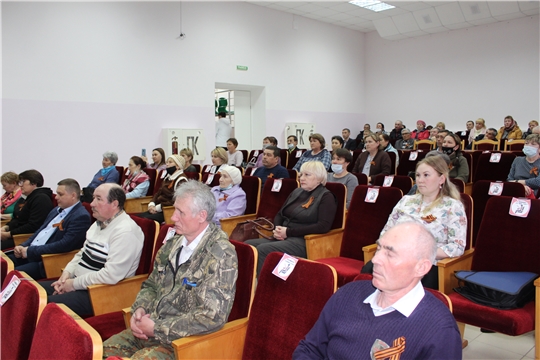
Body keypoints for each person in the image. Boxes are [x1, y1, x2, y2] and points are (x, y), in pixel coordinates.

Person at [103, 180, 238, 359]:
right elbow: (151, 285)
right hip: (152, 326)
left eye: (180, 212)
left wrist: (156, 329)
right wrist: (140, 309)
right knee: (98, 352)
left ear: (201, 216)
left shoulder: (220, 254)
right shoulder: (173, 244)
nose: (173, 217)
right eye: (175, 210)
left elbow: (211, 316)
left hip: (183, 343)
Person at [293, 222, 462, 360]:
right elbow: (310, 349)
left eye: (390, 254)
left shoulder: (440, 331)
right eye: (379, 248)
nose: (375, 259)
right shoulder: (347, 294)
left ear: (421, 268)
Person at [40, 183, 144, 316]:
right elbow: (82, 253)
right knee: (32, 293)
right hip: (78, 282)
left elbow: (110, 275)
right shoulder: (98, 222)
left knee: (43, 306)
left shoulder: (126, 231)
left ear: (114, 204)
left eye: (98, 199)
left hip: (100, 293)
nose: (92, 204)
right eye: (93, 198)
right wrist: (67, 274)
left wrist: (73, 284)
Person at [372, 156, 467, 289]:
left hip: (427, 264)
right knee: (369, 272)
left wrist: (419, 253)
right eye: (418, 175)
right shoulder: (405, 201)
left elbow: (457, 246)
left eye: (426, 175)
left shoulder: (452, 206)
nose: (420, 180)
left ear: (441, 179)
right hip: (394, 258)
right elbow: (386, 233)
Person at [247, 161, 336, 274]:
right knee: (248, 245)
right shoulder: (297, 191)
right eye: (301, 174)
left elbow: (323, 226)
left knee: (263, 250)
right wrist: (278, 229)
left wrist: (288, 232)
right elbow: (280, 214)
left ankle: (265, 288)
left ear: (319, 178)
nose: (302, 178)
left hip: (304, 240)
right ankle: (248, 285)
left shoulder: (326, 196)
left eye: (307, 175)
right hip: (284, 236)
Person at [9, 179, 91, 280]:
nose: (56, 197)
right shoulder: (55, 210)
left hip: (45, 260)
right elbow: (40, 231)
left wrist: (30, 251)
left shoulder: (81, 216)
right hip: (30, 252)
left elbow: (64, 245)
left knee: (12, 276)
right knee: (3, 265)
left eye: (60, 194)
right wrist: (23, 245)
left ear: (73, 196)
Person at [1, 170, 53, 250]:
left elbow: (33, 226)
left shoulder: (41, 199)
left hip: (23, 238)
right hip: (15, 234)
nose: (20, 185)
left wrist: (8, 234)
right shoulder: (25, 198)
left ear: (34, 183)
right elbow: (17, 218)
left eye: (22, 182)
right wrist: (6, 227)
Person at [139, 155, 188, 223]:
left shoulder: (181, 180)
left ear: (178, 166)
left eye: (170, 162)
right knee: (137, 217)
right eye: (167, 162)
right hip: (159, 208)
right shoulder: (168, 177)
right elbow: (158, 192)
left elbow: (177, 201)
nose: (167, 164)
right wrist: (152, 203)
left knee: (143, 220)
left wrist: (158, 208)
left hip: (168, 211)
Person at [507, 134, 540, 198]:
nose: (529, 146)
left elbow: (538, 182)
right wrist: (522, 187)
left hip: (535, 193)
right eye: (526, 143)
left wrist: (518, 182)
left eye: (533, 144)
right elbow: (509, 180)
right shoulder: (517, 160)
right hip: (516, 191)